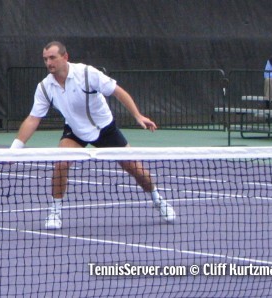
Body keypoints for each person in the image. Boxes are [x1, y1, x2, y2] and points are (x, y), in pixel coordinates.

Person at [9, 41, 176, 230]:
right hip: (75, 131)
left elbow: (118, 91)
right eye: (45, 59)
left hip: (105, 129)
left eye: (52, 58)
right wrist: (15, 149)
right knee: (60, 163)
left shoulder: (87, 74)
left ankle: (157, 199)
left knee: (136, 170)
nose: (48, 63)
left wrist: (137, 115)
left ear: (65, 57)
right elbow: (33, 118)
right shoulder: (45, 87)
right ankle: (55, 211)